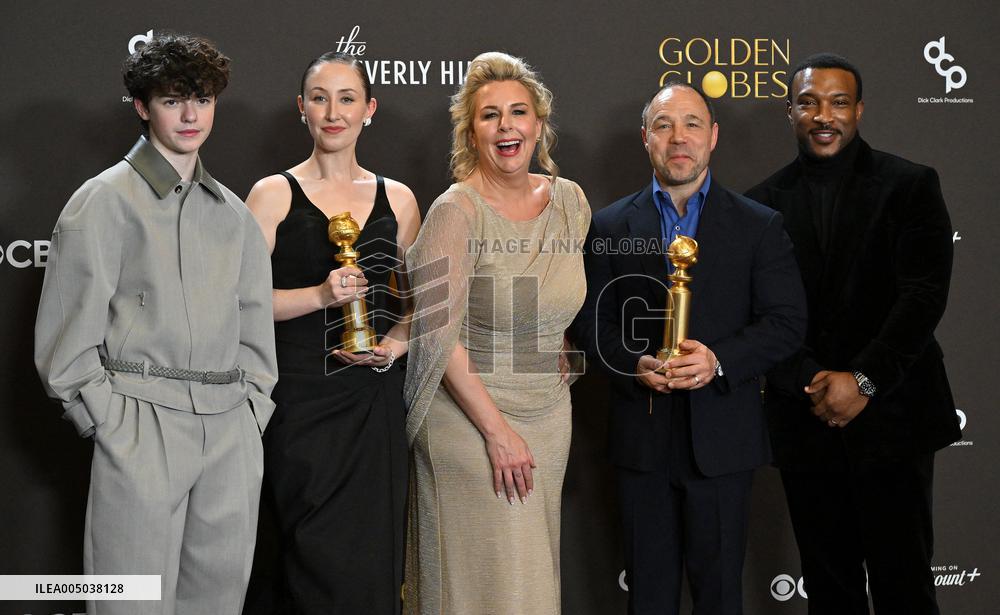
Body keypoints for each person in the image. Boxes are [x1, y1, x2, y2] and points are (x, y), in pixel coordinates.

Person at [33, 34, 277, 615]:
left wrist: (251, 413)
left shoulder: (235, 215)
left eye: (202, 99)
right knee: (129, 602)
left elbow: (254, 330)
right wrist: (111, 423)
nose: (191, 115)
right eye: (173, 100)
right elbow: (66, 339)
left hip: (229, 429)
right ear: (142, 107)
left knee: (218, 601)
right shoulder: (102, 200)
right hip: (139, 422)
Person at [571, 80, 807, 615]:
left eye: (692, 124)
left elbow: (786, 324)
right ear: (646, 138)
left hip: (723, 444)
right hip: (642, 441)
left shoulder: (758, 225)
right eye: (664, 125)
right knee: (648, 599)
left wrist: (718, 360)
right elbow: (589, 323)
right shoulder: (608, 226)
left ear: (713, 136)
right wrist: (632, 364)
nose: (678, 137)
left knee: (720, 597)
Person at [745, 53, 961, 615]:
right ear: (790, 111)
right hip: (807, 417)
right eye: (809, 102)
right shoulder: (759, 205)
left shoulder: (911, 185)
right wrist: (815, 380)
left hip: (896, 416)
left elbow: (923, 297)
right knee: (829, 587)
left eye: (838, 102)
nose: (824, 115)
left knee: (905, 585)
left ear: (859, 110)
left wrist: (862, 380)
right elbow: (761, 315)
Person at [403, 51, 590, 614]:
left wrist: (561, 343)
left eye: (518, 112)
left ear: (539, 124)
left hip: (548, 413)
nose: (506, 126)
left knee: (530, 582)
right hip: (469, 417)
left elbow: (553, 293)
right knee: (492, 582)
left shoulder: (570, 201)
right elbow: (436, 334)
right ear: (471, 132)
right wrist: (497, 432)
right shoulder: (455, 211)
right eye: (490, 115)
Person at [241, 52, 420, 615]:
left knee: (370, 557)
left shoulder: (400, 199)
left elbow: (425, 305)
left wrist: (392, 346)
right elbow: (236, 306)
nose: (334, 112)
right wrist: (320, 296)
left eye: (347, 99)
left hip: (372, 404)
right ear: (302, 108)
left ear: (370, 109)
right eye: (320, 99)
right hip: (295, 403)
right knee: (303, 555)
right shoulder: (271, 194)